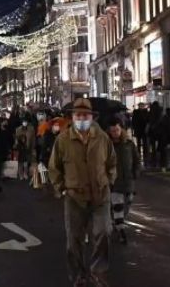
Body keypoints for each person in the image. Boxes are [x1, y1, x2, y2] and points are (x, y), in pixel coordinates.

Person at [48, 98, 117, 287]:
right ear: (72, 117)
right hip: (74, 197)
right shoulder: (62, 140)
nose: (81, 118)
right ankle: (78, 275)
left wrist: (109, 181)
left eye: (85, 115)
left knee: (103, 232)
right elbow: (54, 167)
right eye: (78, 115)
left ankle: (98, 271)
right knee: (74, 240)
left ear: (91, 117)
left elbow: (111, 163)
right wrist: (61, 188)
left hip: (100, 195)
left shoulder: (102, 137)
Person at [107, 118, 140, 245]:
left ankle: (117, 222)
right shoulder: (108, 145)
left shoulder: (129, 144)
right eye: (113, 131)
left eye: (117, 130)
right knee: (118, 206)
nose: (115, 133)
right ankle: (121, 231)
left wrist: (136, 173)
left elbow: (136, 160)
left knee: (126, 206)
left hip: (129, 182)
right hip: (115, 182)